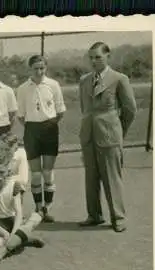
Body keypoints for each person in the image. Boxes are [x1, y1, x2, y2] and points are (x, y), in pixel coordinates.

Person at [78, 42, 137, 232]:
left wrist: (119, 130)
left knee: (112, 177)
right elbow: (84, 108)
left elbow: (130, 110)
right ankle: (94, 215)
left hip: (109, 136)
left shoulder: (119, 79)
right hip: (88, 136)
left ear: (108, 56)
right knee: (91, 177)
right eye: (92, 57)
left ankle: (118, 218)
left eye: (98, 57)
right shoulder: (84, 80)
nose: (94, 61)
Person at [16, 55, 66, 222]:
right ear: (30, 69)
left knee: (47, 172)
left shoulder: (53, 85)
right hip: (31, 130)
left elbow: (60, 111)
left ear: (46, 68)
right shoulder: (22, 88)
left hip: (50, 129)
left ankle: (48, 208)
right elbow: (21, 116)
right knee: (36, 174)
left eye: (41, 68)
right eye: (35, 68)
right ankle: (38, 208)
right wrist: (33, 127)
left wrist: (48, 125)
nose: (39, 71)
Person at [0, 155, 44, 256]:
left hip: (12, 221)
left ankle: (13, 240)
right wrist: (4, 233)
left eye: (2, 172)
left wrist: (12, 233)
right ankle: (22, 239)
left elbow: (18, 213)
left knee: (36, 218)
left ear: (8, 172)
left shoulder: (14, 185)